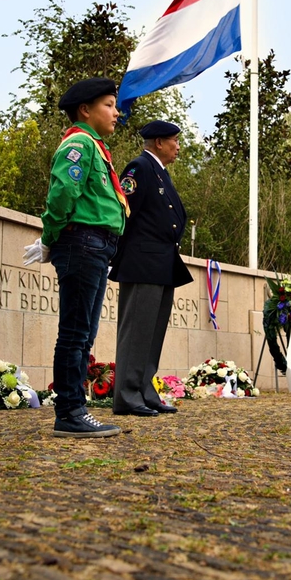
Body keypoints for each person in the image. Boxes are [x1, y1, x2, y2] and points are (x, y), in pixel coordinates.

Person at [23, 77, 127, 438]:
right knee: (75, 333)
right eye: (109, 105)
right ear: (85, 109)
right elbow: (64, 192)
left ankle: (75, 409)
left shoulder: (95, 147)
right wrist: (50, 238)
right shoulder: (79, 144)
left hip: (96, 245)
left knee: (84, 334)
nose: (117, 112)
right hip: (82, 243)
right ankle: (69, 411)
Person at [110, 120, 193, 416]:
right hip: (142, 262)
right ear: (158, 142)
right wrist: (117, 253)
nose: (178, 146)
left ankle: (144, 390)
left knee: (152, 332)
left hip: (161, 264)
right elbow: (124, 211)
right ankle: (127, 396)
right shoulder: (140, 168)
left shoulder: (160, 173)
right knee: (136, 331)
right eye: (174, 141)